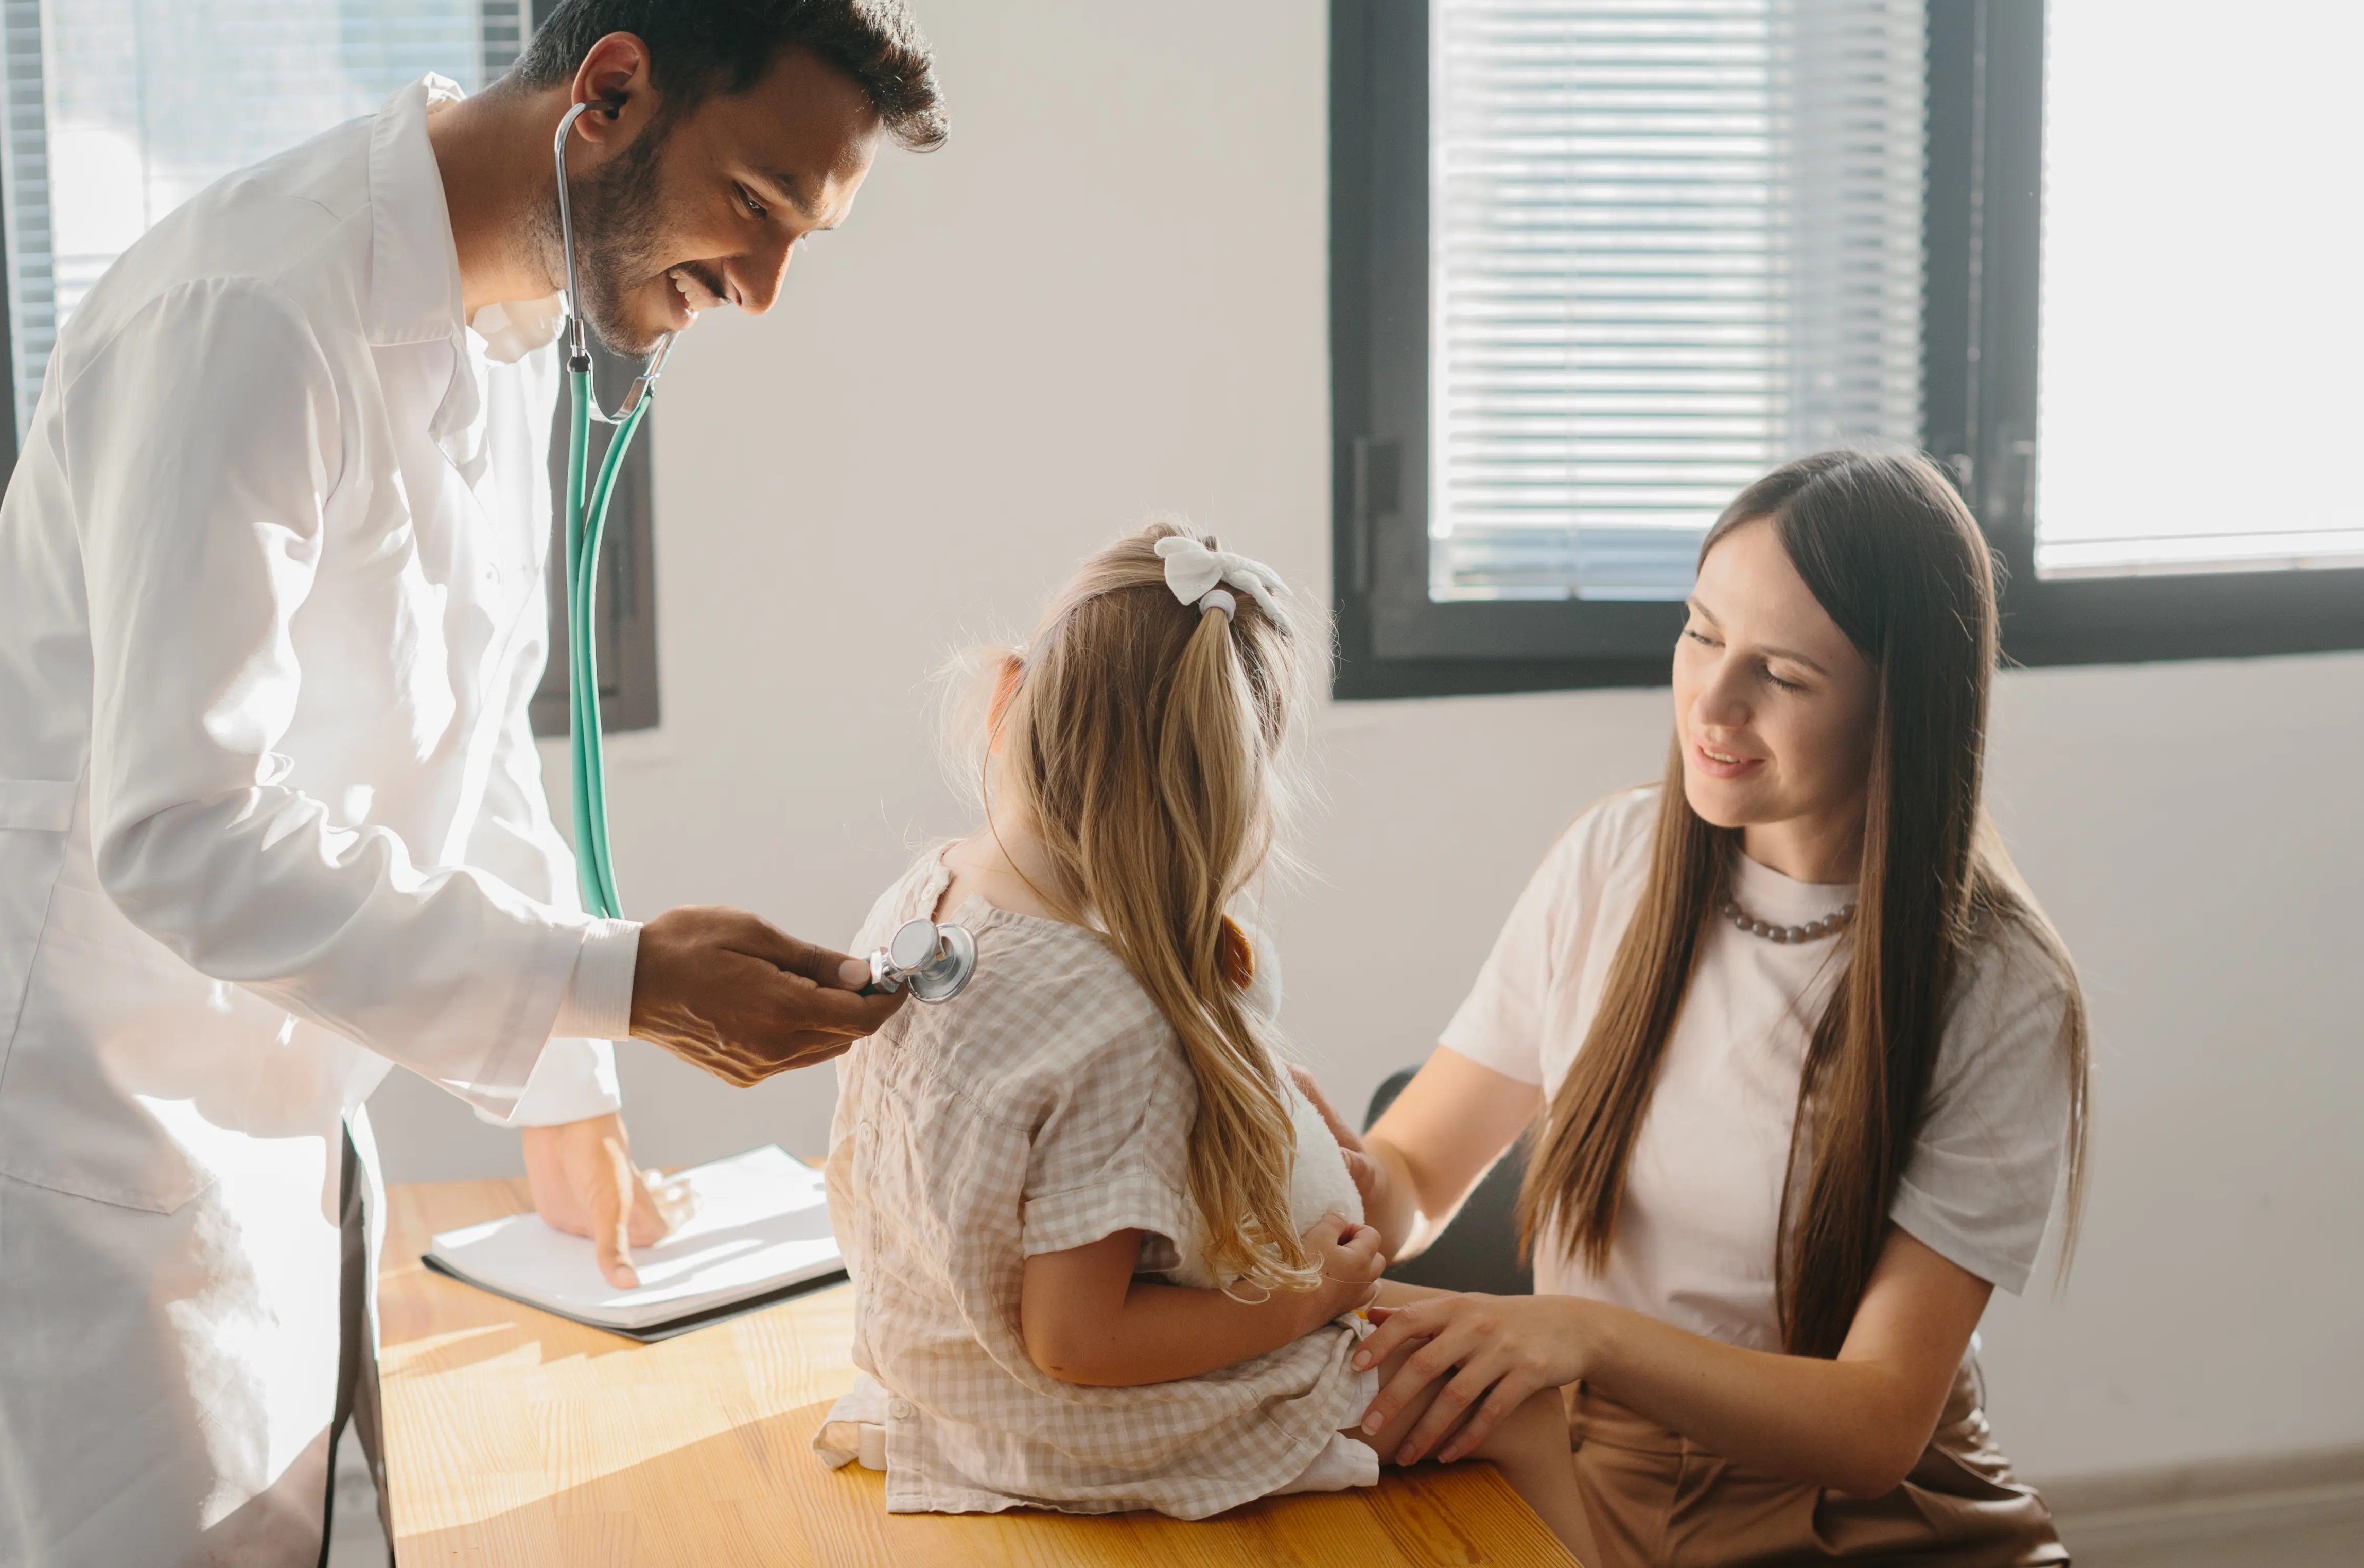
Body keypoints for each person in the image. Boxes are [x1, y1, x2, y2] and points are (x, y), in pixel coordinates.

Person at [0, 0, 944, 1564]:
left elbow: (465, 745)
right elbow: (179, 826)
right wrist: (623, 979)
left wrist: (568, 1092)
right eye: (756, 206)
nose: (764, 289)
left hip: (265, 1131)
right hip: (81, 1145)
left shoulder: (509, 334)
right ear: (613, 89)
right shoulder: (256, 309)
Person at [1309, 452, 2091, 1566]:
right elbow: (1419, 1173)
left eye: (1783, 673)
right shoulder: (1611, 862)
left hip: (1865, 1515)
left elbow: (1875, 1424)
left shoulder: (1996, 986)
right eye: (1701, 633)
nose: (1712, 704)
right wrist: (1334, 1181)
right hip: (1590, 1470)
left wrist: (1585, 1334)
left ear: (1900, 703)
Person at [809, 526, 1603, 1559]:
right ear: (1227, 793)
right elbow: (1077, 1337)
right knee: (1523, 1401)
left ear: (1008, 699)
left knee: (1466, 1329)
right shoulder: (1107, 1019)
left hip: (954, 1370)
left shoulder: (933, 898)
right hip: (1066, 1420)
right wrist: (1307, 1298)